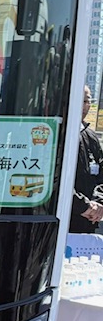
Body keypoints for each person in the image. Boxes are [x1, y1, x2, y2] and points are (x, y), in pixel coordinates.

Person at [71, 85, 103, 233]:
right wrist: (83, 206)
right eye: (79, 100)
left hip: (90, 222)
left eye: (86, 101)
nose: (83, 106)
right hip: (61, 222)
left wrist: (98, 203)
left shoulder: (91, 136)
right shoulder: (53, 133)